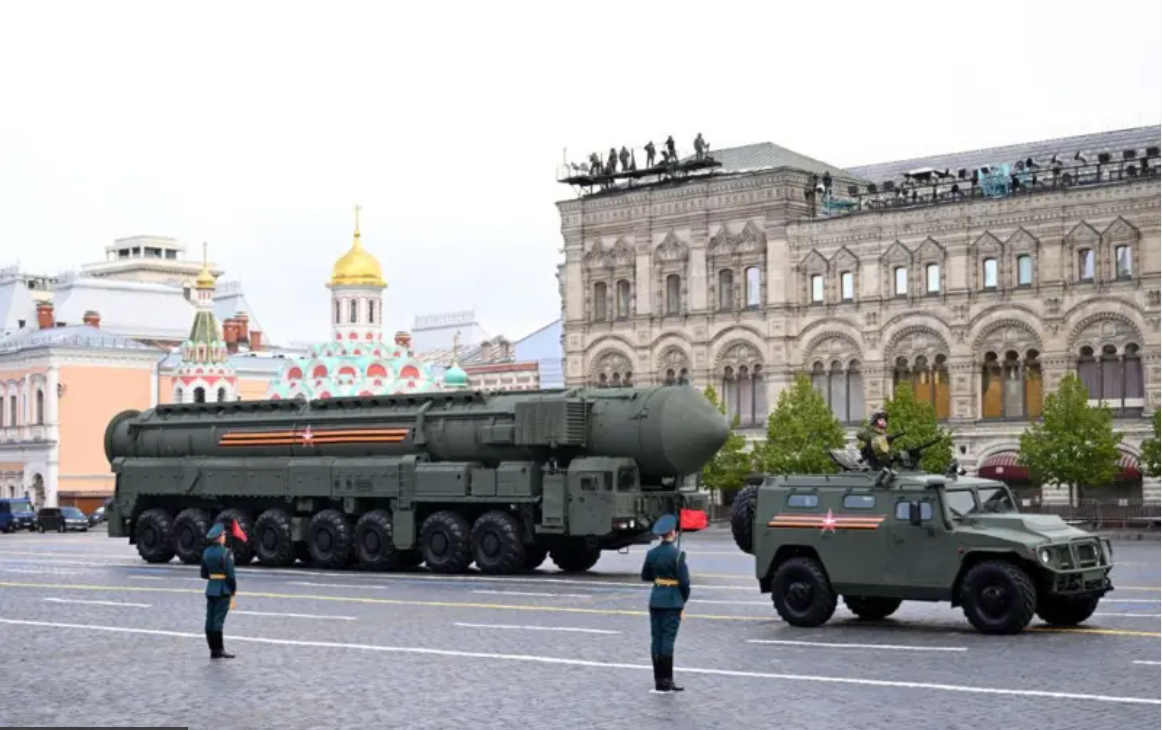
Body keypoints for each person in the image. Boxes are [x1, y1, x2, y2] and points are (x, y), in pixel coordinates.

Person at [640, 513, 690, 692]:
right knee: (668, 640)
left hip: (655, 600)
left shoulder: (652, 553)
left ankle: (658, 680)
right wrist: (682, 600)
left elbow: (645, 576)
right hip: (672, 602)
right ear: (673, 533)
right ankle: (667, 680)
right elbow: (684, 583)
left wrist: (659, 579)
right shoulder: (678, 555)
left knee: (656, 639)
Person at [200, 522, 238, 659]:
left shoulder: (206, 552)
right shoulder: (226, 553)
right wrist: (233, 590)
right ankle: (219, 650)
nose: (225, 537)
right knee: (218, 622)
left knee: (209, 620)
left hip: (211, 589)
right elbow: (231, 576)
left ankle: (212, 649)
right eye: (224, 535)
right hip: (223, 590)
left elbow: (203, 574)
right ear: (219, 537)